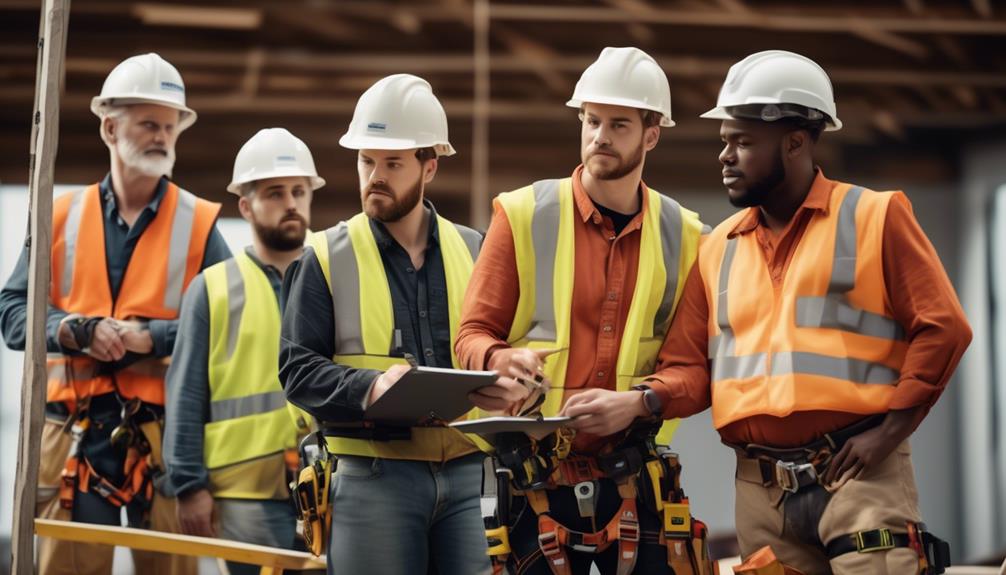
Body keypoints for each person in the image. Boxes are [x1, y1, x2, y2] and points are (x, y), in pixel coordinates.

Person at [644, 49, 970, 574]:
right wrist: (640, 400)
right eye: (724, 141)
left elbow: (944, 328)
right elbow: (688, 369)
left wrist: (889, 433)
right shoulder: (717, 247)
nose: (725, 156)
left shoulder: (875, 216)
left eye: (743, 142)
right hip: (760, 493)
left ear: (795, 141)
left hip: (860, 474)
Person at [455, 47, 712, 575]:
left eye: (619, 124)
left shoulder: (689, 237)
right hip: (532, 475)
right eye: (592, 121)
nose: (600, 136)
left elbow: (695, 372)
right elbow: (472, 335)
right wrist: (499, 359)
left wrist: (637, 403)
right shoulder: (521, 214)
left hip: (637, 475)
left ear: (652, 134)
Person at [279, 74, 523, 575]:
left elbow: (500, 346)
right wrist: (372, 386)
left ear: (428, 165)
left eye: (392, 163)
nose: (375, 176)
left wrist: (511, 383)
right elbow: (297, 370)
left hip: (466, 475)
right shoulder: (324, 256)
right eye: (367, 161)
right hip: (371, 478)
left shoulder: (476, 250)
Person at [0, 52, 230, 574]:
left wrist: (155, 336)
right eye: (149, 123)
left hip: (163, 438)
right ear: (109, 127)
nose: (162, 137)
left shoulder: (198, 223)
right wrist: (75, 330)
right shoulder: (58, 217)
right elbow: (12, 312)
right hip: (73, 436)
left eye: (170, 127)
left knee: (171, 567)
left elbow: (230, 322)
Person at [164, 128, 322, 574]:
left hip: (330, 483)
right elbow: (186, 394)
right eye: (275, 192)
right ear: (246, 205)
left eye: (299, 191)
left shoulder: (332, 279)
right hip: (242, 493)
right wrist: (188, 486)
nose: (291, 202)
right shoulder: (212, 289)